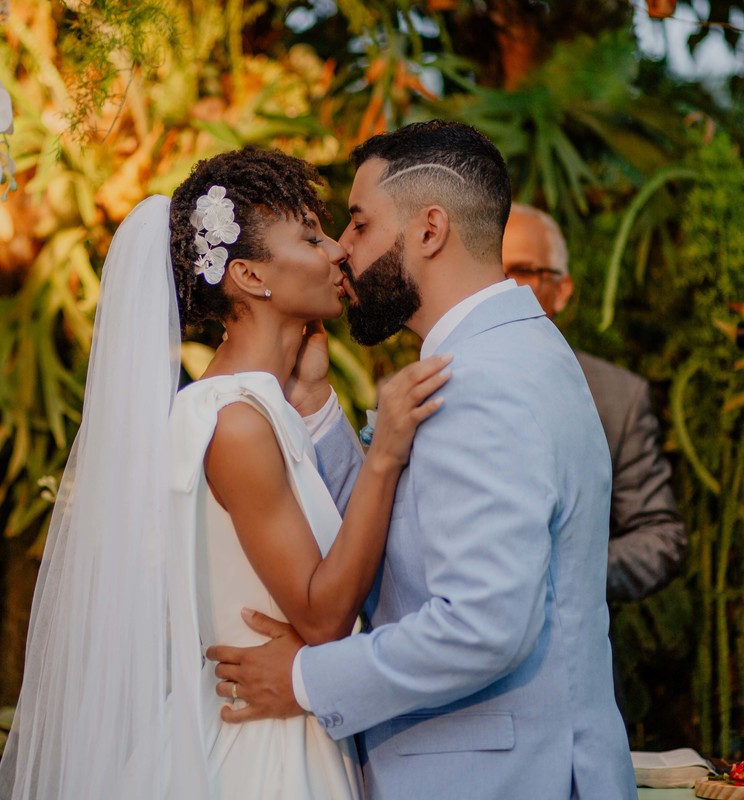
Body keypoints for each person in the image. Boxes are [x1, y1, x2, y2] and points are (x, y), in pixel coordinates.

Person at [0, 148, 449, 800]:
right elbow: (323, 618)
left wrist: (311, 392)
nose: (338, 252)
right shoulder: (235, 422)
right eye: (310, 238)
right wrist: (385, 456)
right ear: (250, 275)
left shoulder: (252, 407)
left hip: (289, 730)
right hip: (262, 759)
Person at [207, 121, 638, 800]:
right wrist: (317, 406)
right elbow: (405, 548)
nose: (342, 250)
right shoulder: (506, 354)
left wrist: (303, 680)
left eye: (359, 223)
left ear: (430, 230)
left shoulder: (483, 382)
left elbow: (482, 628)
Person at [501, 203, 687, 604]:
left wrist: (560, 574)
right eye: (491, 274)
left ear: (562, 290)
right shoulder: (416, 390)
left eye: (521, 272)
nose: (503, 289)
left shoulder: (616, 397)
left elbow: (659, 537)